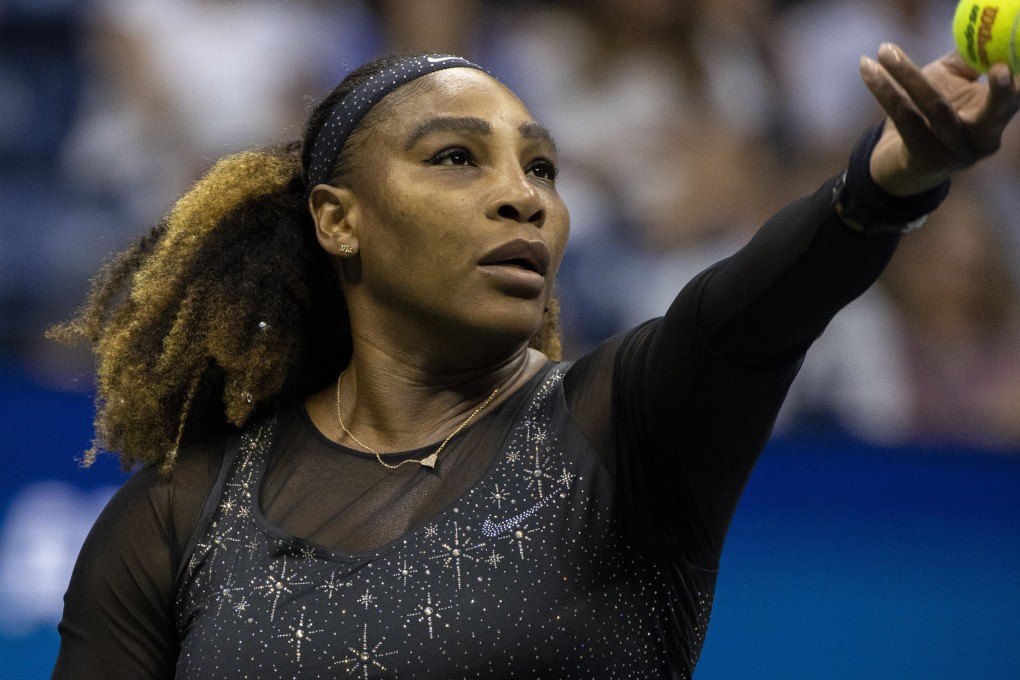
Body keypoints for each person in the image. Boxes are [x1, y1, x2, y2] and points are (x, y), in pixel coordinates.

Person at [49, 42, 1019, 678]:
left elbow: (749, 312)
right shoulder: (178, 514)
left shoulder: (624, 427)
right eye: (456, 158)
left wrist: (885, 184)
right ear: (338, 221)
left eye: (541, 167)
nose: (524, 198)